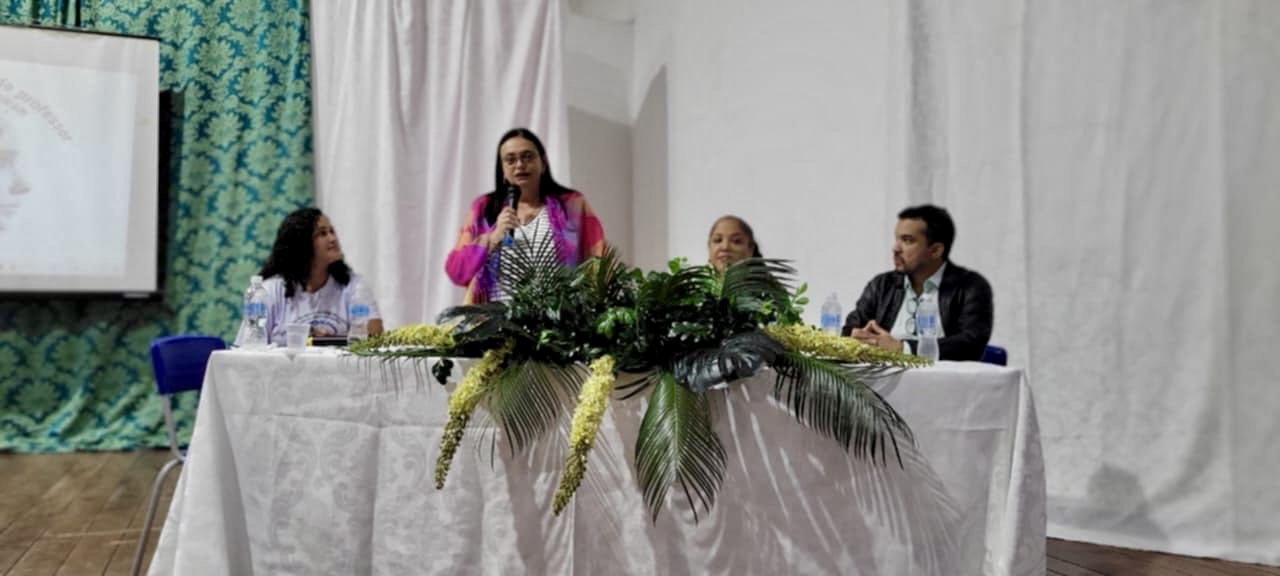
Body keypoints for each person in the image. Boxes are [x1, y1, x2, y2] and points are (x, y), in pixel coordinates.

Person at [445, 128, 607, 303]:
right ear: (503, 170)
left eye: (527, 156)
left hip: (556, 322)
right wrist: (492, 238)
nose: (520, 165)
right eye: (510, 160)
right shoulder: (484, 208)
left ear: (543, 162)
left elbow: (599, 263)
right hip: (493, 323)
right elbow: (456, 271)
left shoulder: (572, 206)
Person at [843, 204, 993, 361]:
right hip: (884, 379)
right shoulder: (881, 285)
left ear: (936, 250)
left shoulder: (970, 287)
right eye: (897, 239)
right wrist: (858, 337)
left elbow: (971, 343)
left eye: (907, 240)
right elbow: (850, 329)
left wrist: (903, 349)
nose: (895, 248)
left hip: (945, 381)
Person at [234, 208, 384, 346]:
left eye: (332, 231)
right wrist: (306, 336)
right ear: (301, 243)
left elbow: (374, 335)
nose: (332, 238)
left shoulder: (352, 285)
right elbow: (248, 345)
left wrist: (333, 341)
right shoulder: (270, 291)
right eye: (322, 233)